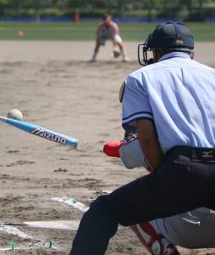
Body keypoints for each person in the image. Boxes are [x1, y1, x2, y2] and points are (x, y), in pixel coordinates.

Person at [71, 22, 215, 254]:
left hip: (183, 170)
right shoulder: (212, 75)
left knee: (103, 211)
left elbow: (146, 138)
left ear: (155, 52)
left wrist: (162, 177)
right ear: (191, 52)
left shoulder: (140, 78)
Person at [104, 137, 215, 254]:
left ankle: (162, 247)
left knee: (132, 201)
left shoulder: (158, 137)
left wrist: (130, 141)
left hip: (181, 231)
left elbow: (109, 148)